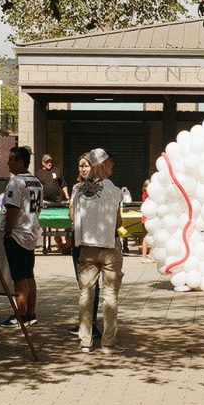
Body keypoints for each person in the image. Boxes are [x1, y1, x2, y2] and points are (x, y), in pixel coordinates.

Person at [70, 148, 124, 353]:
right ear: (102, 165)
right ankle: (108, 343)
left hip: (86, 247)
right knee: (110, 294)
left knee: (85, 293)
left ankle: (85, 341)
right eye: (109, 163)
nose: (112, 166)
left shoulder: (78, 189)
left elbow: (73, 216)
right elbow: (118, 221)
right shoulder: (114, 189)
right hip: (109, 246)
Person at [0, 146, 43, 327]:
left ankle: (20, 315)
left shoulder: (16, 183)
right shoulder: (36, 181)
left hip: (17, 234)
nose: (8, 162)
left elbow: (13, 209)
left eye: (11, 159)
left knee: (19, 277)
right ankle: (31, 313)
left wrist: (7, 231)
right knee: (28, 274)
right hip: (30, 233)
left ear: (21, 162)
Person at [67, 152, 102, 340]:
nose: (83, 169)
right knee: (83, 283)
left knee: (91, 283)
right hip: (78, 238)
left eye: (87, 165)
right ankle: (86, 321)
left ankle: (91, 324)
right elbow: (71, 213)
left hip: (92, 240)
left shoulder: (100, 188)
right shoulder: (76, 187)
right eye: (81, 165)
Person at [38, 153, 70, 253]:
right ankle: (46, 244)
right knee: (47, 221)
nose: (49, 163)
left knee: (61, 219)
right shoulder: (39, 173)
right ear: (43, 163)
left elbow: (63, 184)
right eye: (47, 162)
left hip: (58, 200)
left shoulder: (57, 171)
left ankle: (64, 242)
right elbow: (37, 187)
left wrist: (67, 196)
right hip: (46, 201)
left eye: (50, 161)